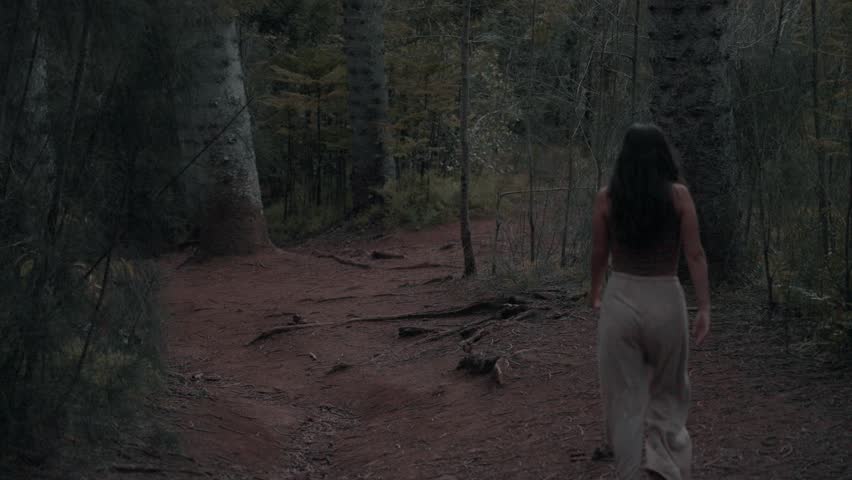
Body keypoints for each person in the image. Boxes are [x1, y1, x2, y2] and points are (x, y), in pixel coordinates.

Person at [588, 123, 711, 480]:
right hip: (665, 299)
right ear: (663, 155)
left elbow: (599, 253)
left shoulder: (607, 197)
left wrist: (595, 290)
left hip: (621, 298)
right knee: (670, 394)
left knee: (623, 401)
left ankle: (628, 473)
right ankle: (667, 469)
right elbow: (696, 255)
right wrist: (704, 306)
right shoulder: (679, 196)